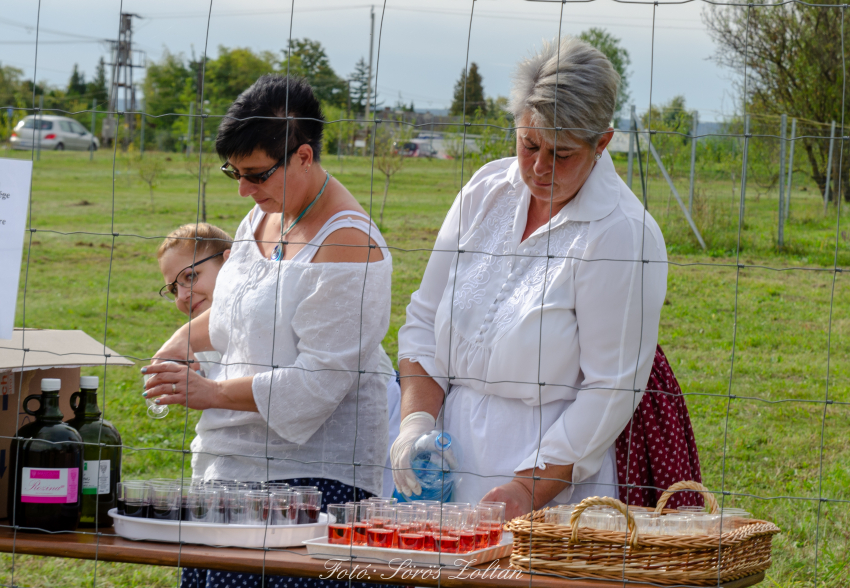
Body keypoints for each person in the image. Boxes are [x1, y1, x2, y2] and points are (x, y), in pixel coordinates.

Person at [393, 36, 700, 519]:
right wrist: (415, 422)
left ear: (602, 143)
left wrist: (526, 488)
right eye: (529, 144)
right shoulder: (484, 193)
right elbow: (422, 320)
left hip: (552, 476)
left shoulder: (622, 232)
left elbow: (611, 389)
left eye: (562, 154)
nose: (539, 167)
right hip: (449, 457)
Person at [143, 75, 393, 588]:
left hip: (309, 485)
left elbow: (318, 383)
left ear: (304, 155)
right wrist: (179, 344)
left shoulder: (348, 245)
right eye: (233, 172)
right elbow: (237, 309)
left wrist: (210, 391)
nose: (242, 189)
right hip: (229, 470)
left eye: (255, 174)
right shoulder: (258, 216)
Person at [156, 223, 232, 379]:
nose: (182, 296)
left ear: (228, 263)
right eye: (174, 290)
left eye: (190, 276)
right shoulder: (193, 353)